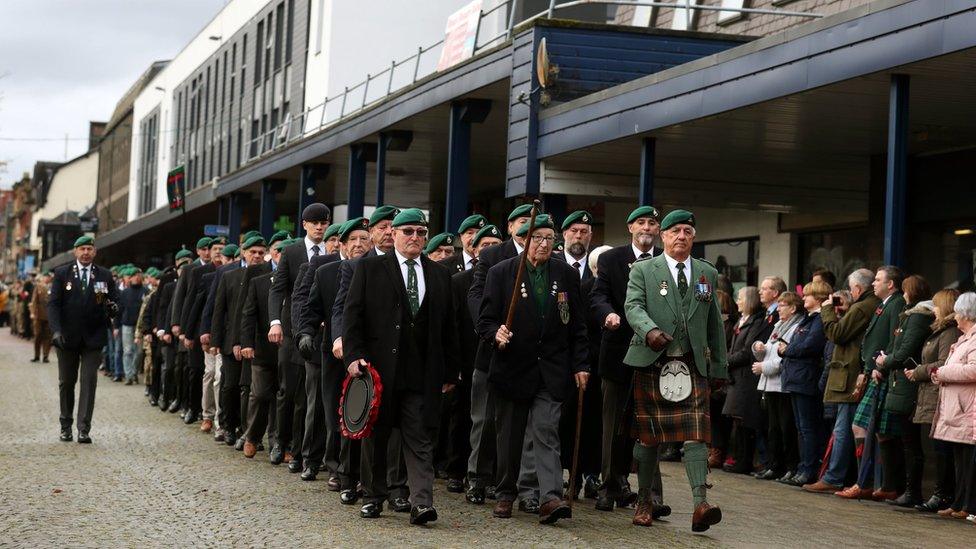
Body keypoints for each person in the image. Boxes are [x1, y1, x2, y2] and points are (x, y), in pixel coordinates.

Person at [343, 208, 460, 524]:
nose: (415, 238)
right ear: (392, 234)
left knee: (419, 438)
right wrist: (353, 356)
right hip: (379, 370)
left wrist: (450, 371)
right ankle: (373, 496)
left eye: (421, 233)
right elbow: (352, 316)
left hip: (422, 372)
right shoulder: (369, 268)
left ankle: (420, 502)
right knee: (377, 437)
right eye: (408, 231)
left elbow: (449, 327)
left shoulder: (439, 275)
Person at [479, 214, 588, 524]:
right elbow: (485, 319)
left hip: (551, 368)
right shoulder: (503, 273)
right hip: (513, 367)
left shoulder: (565, 274)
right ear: (524, 240)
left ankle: (550, 497)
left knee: (546, 430)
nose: (543, 244)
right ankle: (505, 493)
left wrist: (581, 363)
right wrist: (495, 333)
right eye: (537, 238)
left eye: (549, 239)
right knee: (510, 437)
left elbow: (577, 325)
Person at [623, 209, 728, 531]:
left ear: (693, 237)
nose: (681, 236)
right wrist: (649, 330)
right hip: (653, 361)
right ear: (663, 236)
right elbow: (633, 306)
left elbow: (715, 325)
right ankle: (644, 500)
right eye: (675, 231)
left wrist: (720, 367)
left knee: (696, 436)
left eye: (687, 231)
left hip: (692, 364)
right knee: (648, 438)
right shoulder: (644, 270)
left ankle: (700, 504)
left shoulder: (707, 274)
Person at [589, 205, 665, 513]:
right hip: (618, 352)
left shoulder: (665, 261)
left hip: (656, 355)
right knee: (612, 426)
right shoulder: (612, 259)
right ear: (630, 227)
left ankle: (652, 496)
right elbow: (597, 296)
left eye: (652, 223)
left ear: (658, 230)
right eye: (641, 222)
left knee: (651, 426)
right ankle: (609, 487)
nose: (647, 227)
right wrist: (607, 314)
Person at [465, 203, 534, 508]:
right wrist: (492, 329)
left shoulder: (548, 256)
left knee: (521, 426)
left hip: (530, 359)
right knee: (485, 420)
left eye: (532, 221)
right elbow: (476, 295)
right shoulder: (493, 255)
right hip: (493, 353)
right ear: (509, 226)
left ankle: (514, 482)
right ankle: (477, 479)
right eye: (522, 221)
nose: (528, 225)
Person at [298, 218, 370, 495]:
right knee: (334, 414)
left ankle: (354, 472)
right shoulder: (326, 272)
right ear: (340, 244)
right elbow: (311, 309)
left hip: (364, 353)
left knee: (363, 413)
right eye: (352, 240)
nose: (358, 245)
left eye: (364, 239)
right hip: (333, 354)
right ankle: (335, 467)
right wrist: (304, 333)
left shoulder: (377, 269)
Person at [803, 268, 880, 493]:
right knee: (850, 428)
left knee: (843, 428)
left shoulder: (862, 307)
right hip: (851, 373)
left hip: (849, 375)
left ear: (857, 289)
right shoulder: (868, 305)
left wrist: (827, 310)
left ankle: (834, 476)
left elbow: (837, 334)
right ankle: (847, 478)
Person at [268, 203, 332, 467]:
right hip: (292, 329)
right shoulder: (292, 252)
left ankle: (299, 449)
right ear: (304, 224)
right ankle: (279, 442)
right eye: (315, 222)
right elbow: (278, 289)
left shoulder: (333, 249)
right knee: (289, 390)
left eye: (324, 222)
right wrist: (275, 322)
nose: (320, 227)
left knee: (311, 395)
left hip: (321, 332)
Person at [837, 265, 906, 500]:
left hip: (881, 373)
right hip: (873, 371)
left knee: (870, 429)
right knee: (870, 429)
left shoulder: (896, 303)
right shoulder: (884, 303)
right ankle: (873, 483)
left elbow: (893, 340)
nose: (873, 283)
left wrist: (879, 367)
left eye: (878, 280)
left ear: (890, 284)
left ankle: (870, 483)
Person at [446, 224, 502, 497]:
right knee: (465, 418)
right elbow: (453, 324)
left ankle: (491, 476)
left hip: (496, 358)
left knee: (494, 421)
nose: (490, 250)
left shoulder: (508, 276)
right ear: (475, 250)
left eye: (495, 245)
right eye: (485, 245)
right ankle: (459, 471)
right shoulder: (460, 281)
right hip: (467, 358)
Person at [48, 235, 120, 443]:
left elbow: (113, 302)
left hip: (93, 338)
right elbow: (53, 305)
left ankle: (83, 428)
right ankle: (65, 425)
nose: (86, 252)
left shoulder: (104, 275)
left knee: (89, 382)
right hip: (67, 338)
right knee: (66, 382)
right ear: (75, 252)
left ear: (95, 252)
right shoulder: (62, 273)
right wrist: (56, 330)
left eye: (89, 249)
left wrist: (113, 308)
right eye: (82, 249)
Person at [874, 275, 933, 506]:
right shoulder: (910, 315)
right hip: (900, 383)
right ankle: (904, 489)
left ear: (911, 292)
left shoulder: (917, 317)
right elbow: (896, 345)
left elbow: (905, 350)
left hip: (908, 386)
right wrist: (884, 361)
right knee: (904, 440)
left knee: (910, 442)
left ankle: (912, 491)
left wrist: (885, 362)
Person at [905, 288, 961, 512]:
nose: (933, 309)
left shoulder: (948, 332)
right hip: (929, 393)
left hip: (937, 394)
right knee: (938, 447)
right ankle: (942, 493)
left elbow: (943, 363)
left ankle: (943, 494)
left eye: (936, 305)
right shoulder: (940, 330)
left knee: (942, 449)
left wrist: (918, 371)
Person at [779, 280, 830, 486]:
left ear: (818, 298)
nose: (803, 298)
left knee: (808, 428)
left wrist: (787, 350)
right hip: (796, 377)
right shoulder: (808, 320)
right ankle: (803, 466)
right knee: (801, 427)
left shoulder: (818, 321)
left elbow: (808, 346)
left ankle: (809, 468)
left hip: (806, 378)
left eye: (807, 295)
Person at [931, 292, 976, 519]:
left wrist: (942, 372)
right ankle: (959, 503)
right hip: (957, 409)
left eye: (958, 312)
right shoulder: (964, 338)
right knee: (959, 460)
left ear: (966, 314)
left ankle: (967, 505)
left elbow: (973, 369)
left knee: (968, 462)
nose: (955, 316)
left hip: (967, 410)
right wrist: (938, 375)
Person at [751, 291, 803, 481]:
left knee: (786, 428)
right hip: (770, 385)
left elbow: (785, 358)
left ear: (793, 308)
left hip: (783, 385)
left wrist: (764, 367)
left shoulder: (795, 327)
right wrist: (758, 347)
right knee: (773, 428)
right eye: (779, 304)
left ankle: (790, 466)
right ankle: (774, 465)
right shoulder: (778, 326)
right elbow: (769, 350)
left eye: (783, 305)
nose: (778, 308)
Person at [722, 286, 770, 475]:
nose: (737, 301)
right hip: (736, 376)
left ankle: (744, 460)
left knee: (745, 419)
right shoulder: (741, 322)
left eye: (741, 298)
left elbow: (747, 350)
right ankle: (738, 458)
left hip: (745, 377)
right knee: (737, 419)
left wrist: (726, 361)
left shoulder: (756, 323)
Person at [119, 268, 148, 384]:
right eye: (133, 276)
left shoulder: (145, 291)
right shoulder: (125, 292)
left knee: (139, 352)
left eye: (138, 275)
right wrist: (116, 326)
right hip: (127, 325)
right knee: (128, 351)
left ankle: (134, 372)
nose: (136, 277)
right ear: (130, 278)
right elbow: (120, 309)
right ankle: (129, 375)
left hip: (140, 326)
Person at [555, 210, 594, 282]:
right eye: (574, 230)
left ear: (590, 236)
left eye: (584, 232)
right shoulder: (552, 262)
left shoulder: (596, 265)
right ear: (564, 234)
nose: (578, 236)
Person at [29, 272, 53, 363]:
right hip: (39, 315)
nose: (47, 278)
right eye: (46, 277)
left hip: (49, 316)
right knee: (38, 335)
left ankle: (46, 356)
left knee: (48, 336)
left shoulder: (53, 287)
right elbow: (34, 301)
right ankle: (36, 355)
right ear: (43, 277)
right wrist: (33, 313)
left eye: (49, 277)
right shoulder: (38, 286)